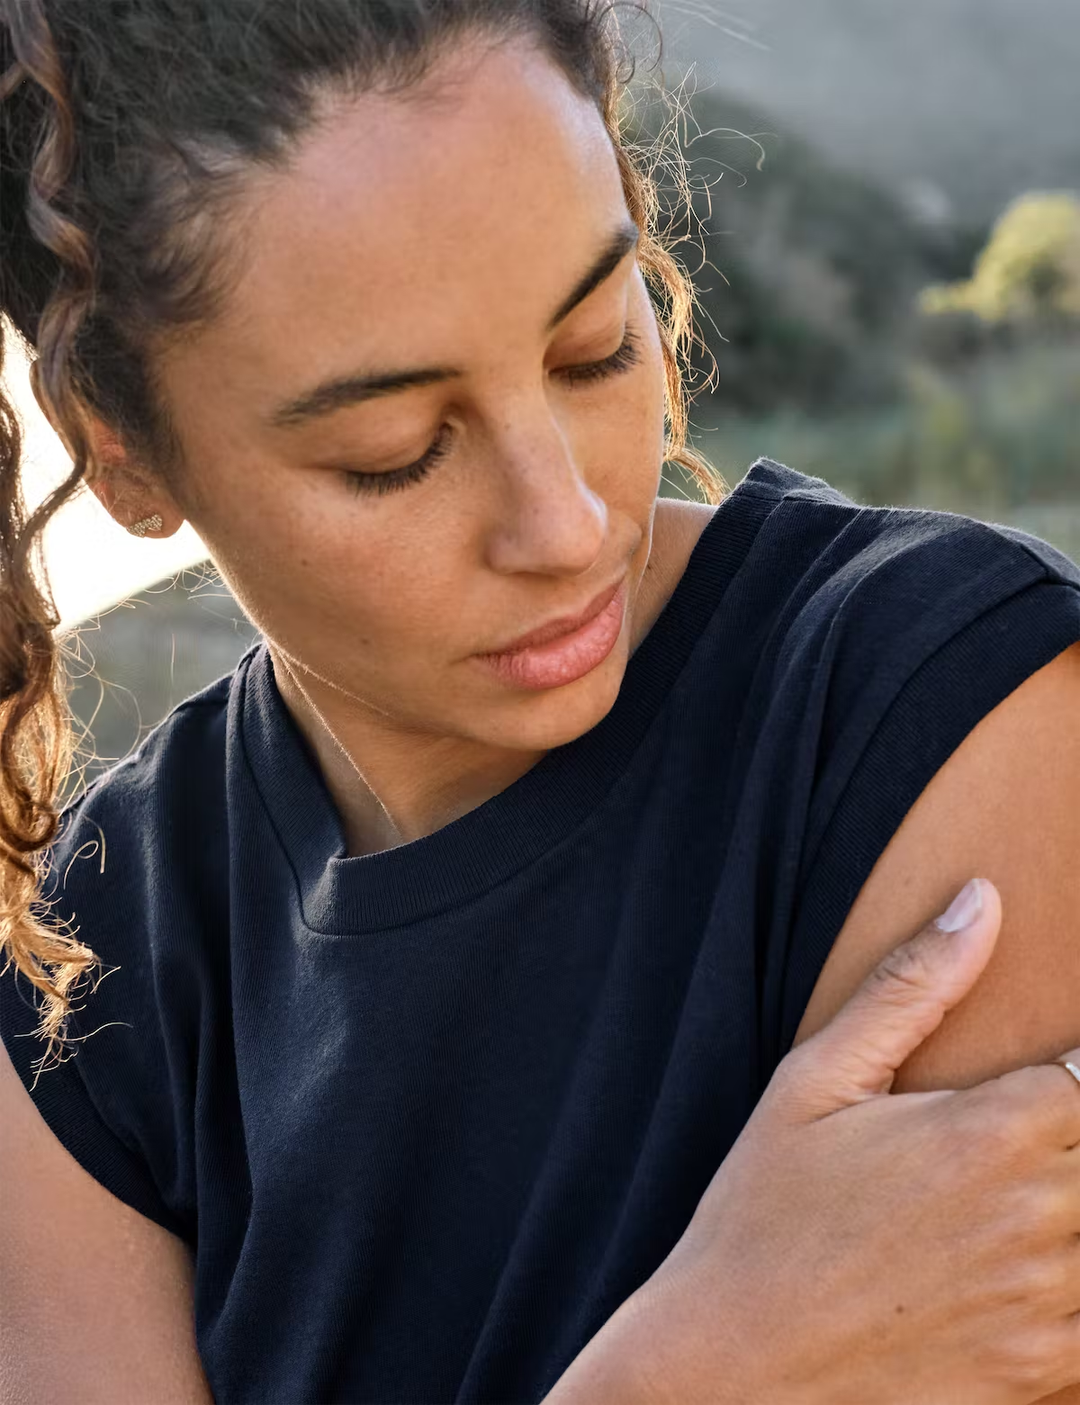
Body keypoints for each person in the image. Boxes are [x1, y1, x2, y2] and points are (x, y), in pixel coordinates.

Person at [1, 2, 1079, 1402]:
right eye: (395, 453)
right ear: (127, 458)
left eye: (591, 349)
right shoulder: (78, 977)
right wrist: (699, 1374)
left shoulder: (945, 708)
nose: (566, 526)